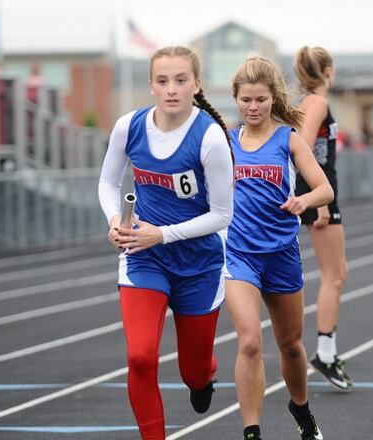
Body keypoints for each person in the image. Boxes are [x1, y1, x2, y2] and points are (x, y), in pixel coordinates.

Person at [97, 46, 234, 440]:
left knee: (192, 371)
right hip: (144, 259)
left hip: (199, 266)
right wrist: (113, 221)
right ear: (151, 86)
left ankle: (203, 376)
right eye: (162, 81)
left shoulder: (209, 138)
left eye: (180, 80)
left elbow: (222, 215)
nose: (171, 89)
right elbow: (108, 182)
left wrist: (163, 232)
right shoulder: (130, 127)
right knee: (140, 357)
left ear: (196, 84)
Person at [226, 55, 333, 440]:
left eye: (260, 100)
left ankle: (301, 411)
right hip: (239, 255)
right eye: (246, 100)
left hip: (282, 255)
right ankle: (252, 432)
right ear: (236, 100)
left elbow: (325, 189)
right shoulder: (225, 142)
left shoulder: (288, 139)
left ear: (273, 98)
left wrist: (304, 201)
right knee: (250, 342)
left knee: (290, 346)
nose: (253, 108)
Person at [292, 46, 352, 392]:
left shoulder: (307, 102)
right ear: (327, 71)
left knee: (337, 273)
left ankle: (327, 350)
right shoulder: (316, 103)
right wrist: (321, 202)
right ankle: (325, 353)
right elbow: (302, 143)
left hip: (320, 192)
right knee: (335, 275)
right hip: (320, 195)